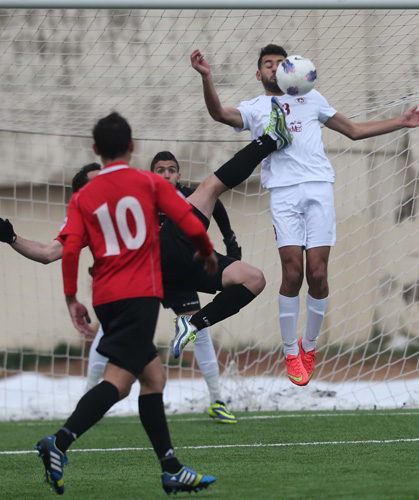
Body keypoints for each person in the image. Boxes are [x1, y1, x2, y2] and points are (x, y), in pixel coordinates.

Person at [190, 45, 419, 387]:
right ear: (259, 74)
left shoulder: (313, 98)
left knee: (318, 272)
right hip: (283, 193)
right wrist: (208, 78)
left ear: (290, 70)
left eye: (280, 63)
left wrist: (401, 122)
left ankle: (308, 347)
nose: (274, 69)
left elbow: (353, 130)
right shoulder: (256, 108)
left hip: (319, 189)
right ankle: (289, 351)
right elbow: (220, 114)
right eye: (267, 65)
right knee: (293, 272)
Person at [32, 112, 219, 496]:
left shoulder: (84, 195)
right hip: (139, 296)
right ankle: (59, 442)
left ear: (96, 150)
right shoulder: (148, 182)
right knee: (118, 381)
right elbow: (188, 218)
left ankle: (171, 469)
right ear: (132, 147)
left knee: (153, 378)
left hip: (106, 298)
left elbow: (69, 249)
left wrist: (71, 299)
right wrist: (207, 251)